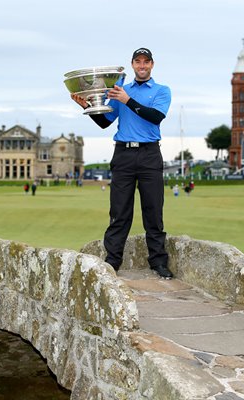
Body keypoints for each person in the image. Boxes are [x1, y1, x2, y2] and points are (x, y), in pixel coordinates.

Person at [71, 47, 173, 279]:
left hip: (149, 154)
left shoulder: (161, 90)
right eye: (138, 62)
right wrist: (87, 106)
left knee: (153, 210)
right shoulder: (119, 90)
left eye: (146, 62)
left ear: (152, 65)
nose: (142, 66)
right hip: (123, 154)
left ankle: (158, 261)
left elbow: (155, 117)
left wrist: (128, 100)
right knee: (119, 211)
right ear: (133, 65)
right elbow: (105, 122)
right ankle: (112, 261)